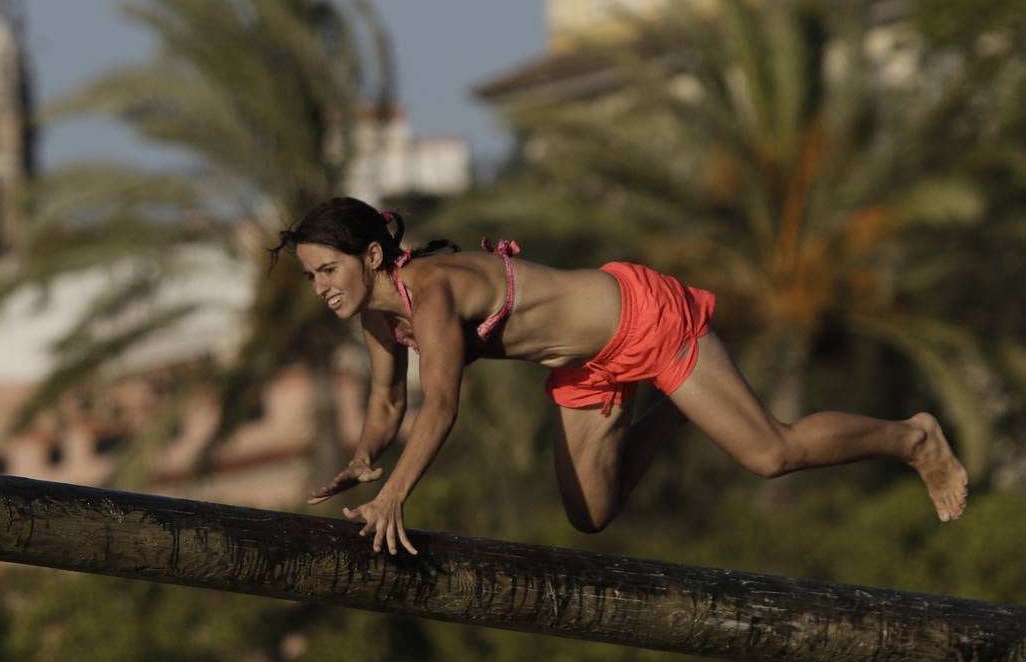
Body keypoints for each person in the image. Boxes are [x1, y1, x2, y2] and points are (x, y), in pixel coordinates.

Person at [273, 197, 969, 557]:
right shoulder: (376, 315)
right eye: (310, 276)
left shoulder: (432, 293)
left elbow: (443, 404)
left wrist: (397, 497)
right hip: (584, 366)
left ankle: (913, 440)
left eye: (327, 271)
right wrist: (366, 457)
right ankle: (678, 408)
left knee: (770, 454)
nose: (320, 288)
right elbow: (389, 398)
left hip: (641, 319)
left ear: (370, 255)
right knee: (590, 514)